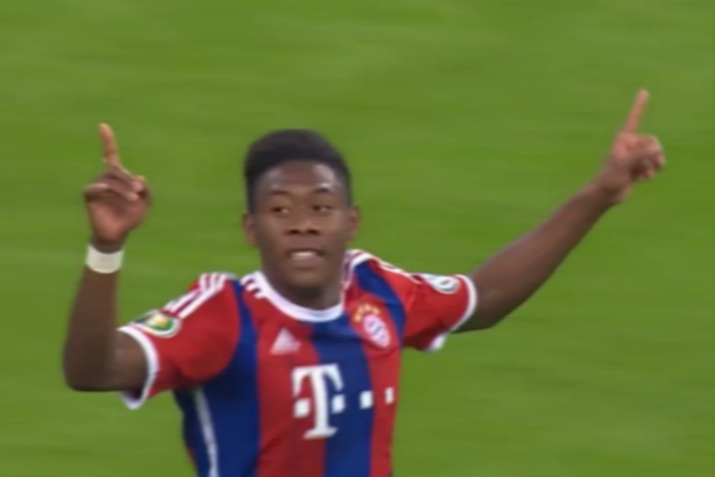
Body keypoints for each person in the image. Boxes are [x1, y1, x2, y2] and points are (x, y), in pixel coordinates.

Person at [63, 90, 664, 477]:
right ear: (250, 228)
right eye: (280, 209)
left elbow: (484, 299)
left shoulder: (378, 290)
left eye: (321, 207)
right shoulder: (222, 314)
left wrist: (599, 193)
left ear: (351, 223)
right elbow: (92, 370)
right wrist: (107, 248)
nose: (302, 223)